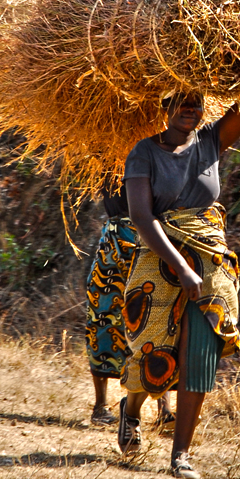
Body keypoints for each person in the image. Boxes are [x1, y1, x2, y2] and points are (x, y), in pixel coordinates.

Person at [118, 91, 240, 479]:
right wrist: (180, 267)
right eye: (180, 103)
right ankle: (131, 410)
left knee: (200, 348)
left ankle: (180, 455)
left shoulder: (211, 141)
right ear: (164, 109)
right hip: (160, 250)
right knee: (155, 351)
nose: (189, 110)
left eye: (195, 104)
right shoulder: (144, 153)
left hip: (210, 253)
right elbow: (142, 217)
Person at [86, 183, 174, 427]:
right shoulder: (110, 153)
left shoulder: (162, 153)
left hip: (156, 237)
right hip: (117, 242)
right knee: (104, 318)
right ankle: (100, 406)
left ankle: (164, 410)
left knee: (157, 319)